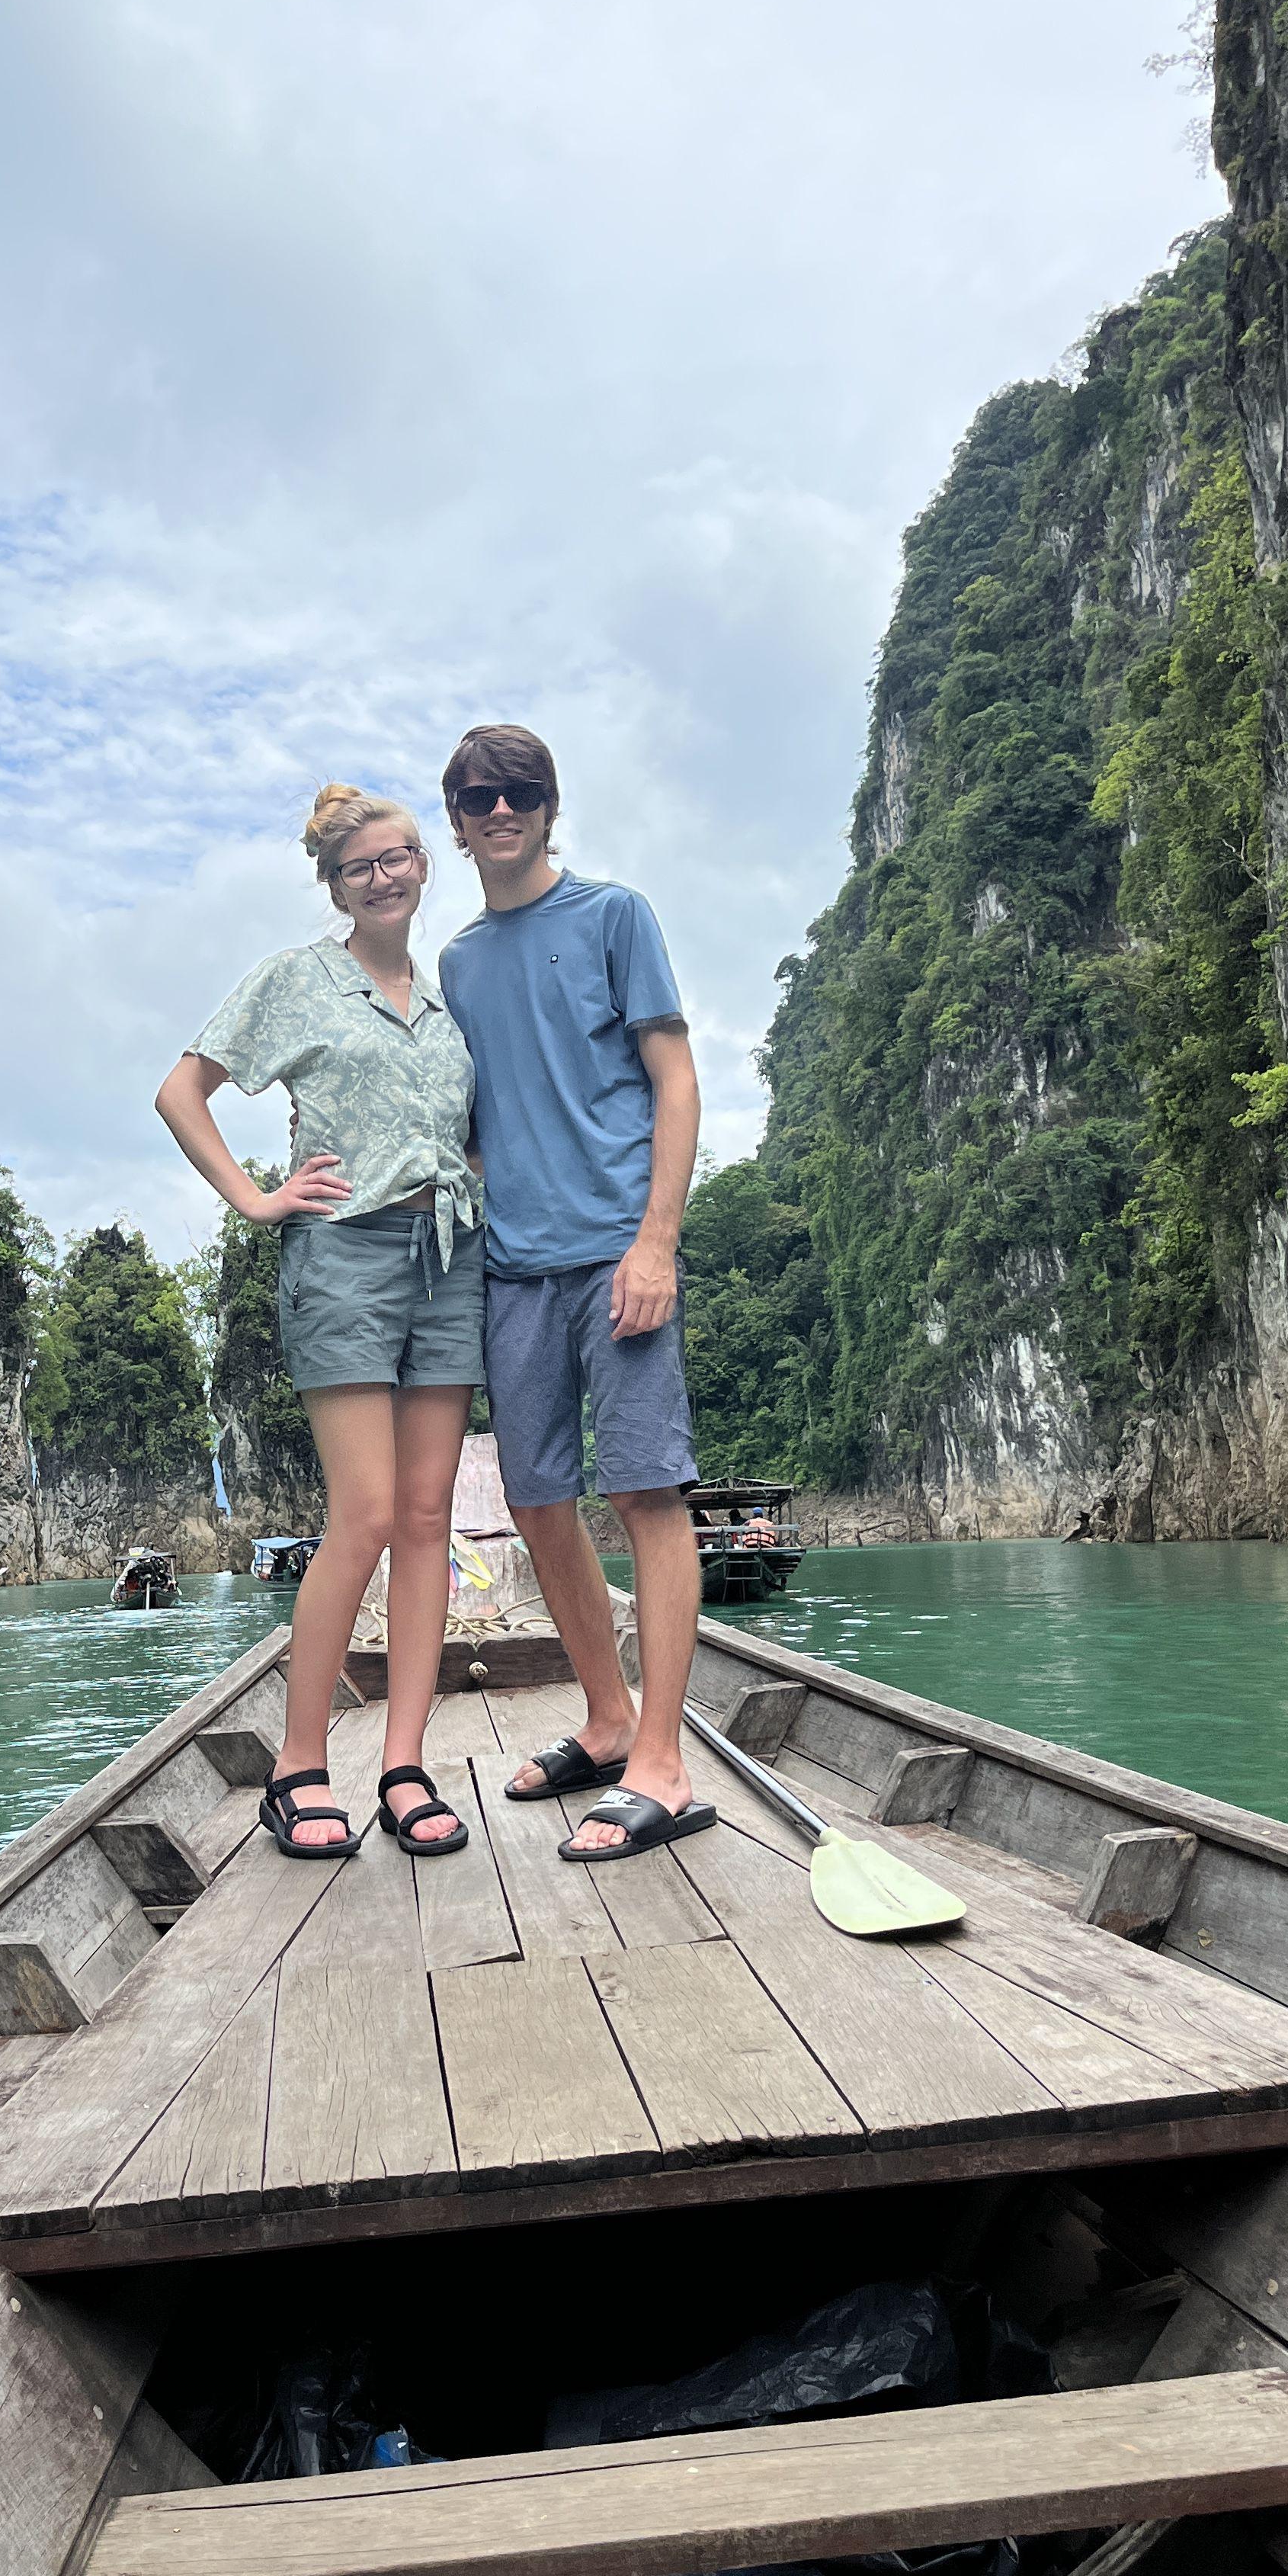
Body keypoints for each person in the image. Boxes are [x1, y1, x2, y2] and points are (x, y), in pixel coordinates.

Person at [155, 784, 485, 1862]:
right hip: (344, 1255)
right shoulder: (299, 981)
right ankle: (298, 1768)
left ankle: (403, 1764)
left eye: (397, 858)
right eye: (360, 868)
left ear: (422, 864)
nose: (383, 877)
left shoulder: (444, 1005)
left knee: (432, 1519)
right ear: (335, 885)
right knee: (369, 1517)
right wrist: (255, 1198)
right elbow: (181, 1091)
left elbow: (465, 1135)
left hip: (449, 1259)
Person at [433, 724, 712, 1859]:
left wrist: (657, 1243)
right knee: (541, 1500)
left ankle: (664, 1756)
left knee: (647, 1492)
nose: (500, 811)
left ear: (550, 808)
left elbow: (676, 1081)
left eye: (521, 793)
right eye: (478, 796)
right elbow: (474, 1127)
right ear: (455, 820)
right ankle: (604, 1720)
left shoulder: (613, 916)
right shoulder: (455, 963)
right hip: (514, 1269)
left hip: (614, 1254)